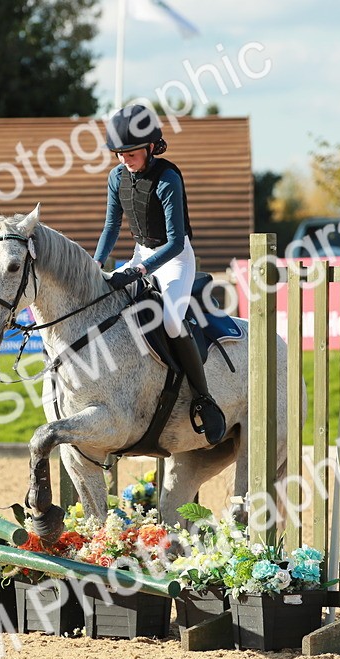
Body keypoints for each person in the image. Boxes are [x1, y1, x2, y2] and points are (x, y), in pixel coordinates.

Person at [94, 104, 226, 446]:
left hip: (175, 259)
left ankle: (203, 398)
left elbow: (175, 242)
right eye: (119, 153)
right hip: (141, 253)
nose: (125, 159)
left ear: (152, 146)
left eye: (132, 152)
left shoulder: (167, 179)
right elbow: (111, 225)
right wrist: (97, 264)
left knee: (169, 321)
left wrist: (139, 271)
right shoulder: (116, 178)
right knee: (101, 299)